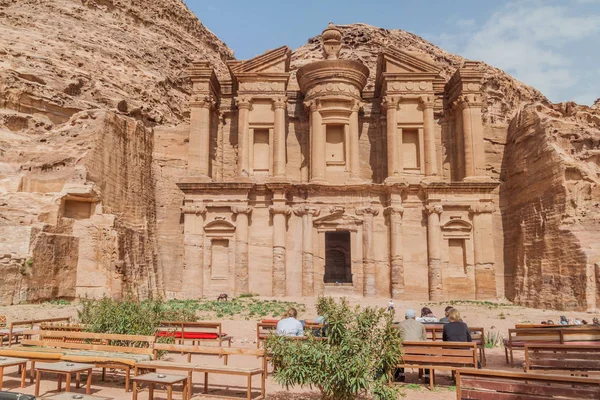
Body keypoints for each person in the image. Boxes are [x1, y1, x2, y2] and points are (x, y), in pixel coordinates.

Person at [393, 309, 428, 382]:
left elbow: (396, 338)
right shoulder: (420, 325)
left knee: (398, 350)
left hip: (404, 353)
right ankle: (428, 376)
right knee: (428, 353)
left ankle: (399, 375)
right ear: (414, 317)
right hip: (419, 353)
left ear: (405, 317)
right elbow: (425, 340)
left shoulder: (400, 325)